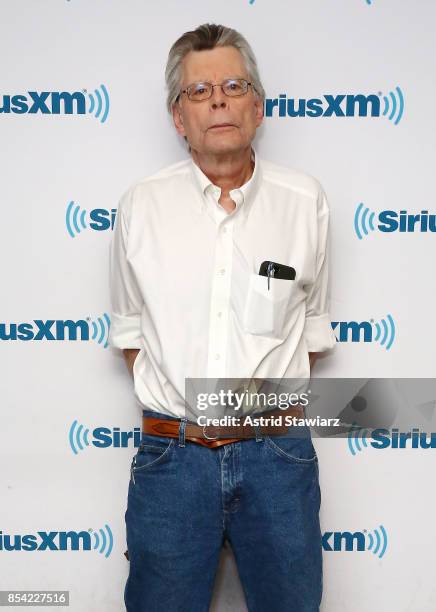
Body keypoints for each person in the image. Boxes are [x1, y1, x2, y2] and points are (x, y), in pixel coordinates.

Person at [108, 22, 336, 612]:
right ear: (177, 118)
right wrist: (185, 414)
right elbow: (132, 330)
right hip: (172, 461)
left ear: (258, 106)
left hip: (277, 458)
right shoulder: (141, 205)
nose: (217, 100)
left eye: (233, 85)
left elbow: (308, 331)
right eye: (197, 91)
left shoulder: (304, 201)